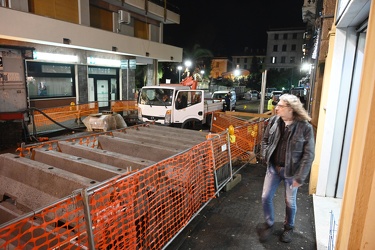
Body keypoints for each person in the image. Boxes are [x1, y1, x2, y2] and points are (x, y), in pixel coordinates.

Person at [258, 94, 315, 243]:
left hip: (292, 172)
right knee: (265, 197)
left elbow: (308, 155)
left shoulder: (305, 127)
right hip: (273, 168)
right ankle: (269, 223)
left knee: (290, 202)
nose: (276, 108)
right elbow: (264, 140)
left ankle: (289, 227)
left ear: (290, 108)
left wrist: (300, 177)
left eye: (280, 106)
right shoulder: (273, 121)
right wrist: (265, 155)